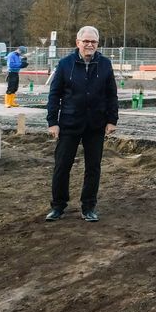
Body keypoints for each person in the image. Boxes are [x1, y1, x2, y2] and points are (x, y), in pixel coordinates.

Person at [44, 26, 118, 223]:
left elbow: (111, 94)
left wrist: (112, 120)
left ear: (97, 44)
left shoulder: (105, 64)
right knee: (62, 166)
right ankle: (58, 206)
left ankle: (88, 206)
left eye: (93, 41)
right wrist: (53, 122)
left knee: (93, 167)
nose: (89, 45)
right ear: (78, 43)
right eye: (86, 41)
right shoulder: (65, 64)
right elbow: (54, 95)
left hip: (95, 124)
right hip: (69, 123)